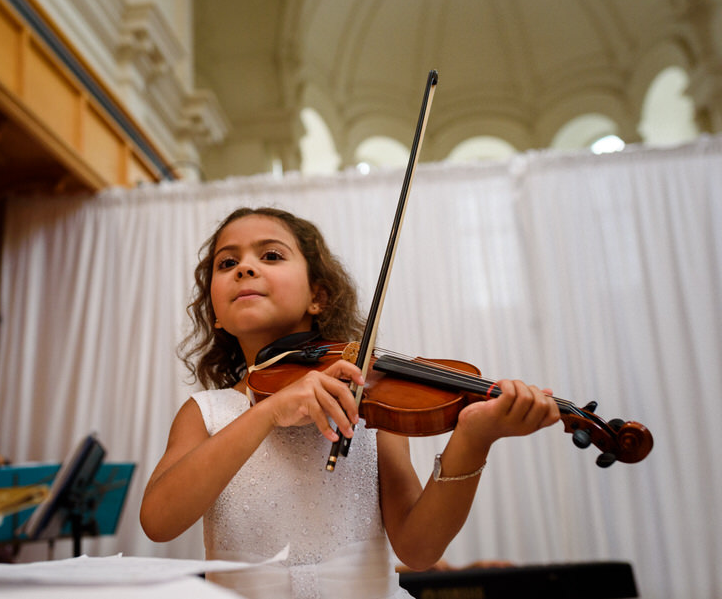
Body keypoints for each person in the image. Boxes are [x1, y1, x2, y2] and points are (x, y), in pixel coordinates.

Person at [140, 207, 560, 599]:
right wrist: (267, 410)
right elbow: (159, 521)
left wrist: (473, 438)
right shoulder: (206, 412)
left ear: (317, 297)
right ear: (215, 312)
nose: (245, 268)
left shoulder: (372, 400)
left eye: (270, 255)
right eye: (227, 263)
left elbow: (419, 548)